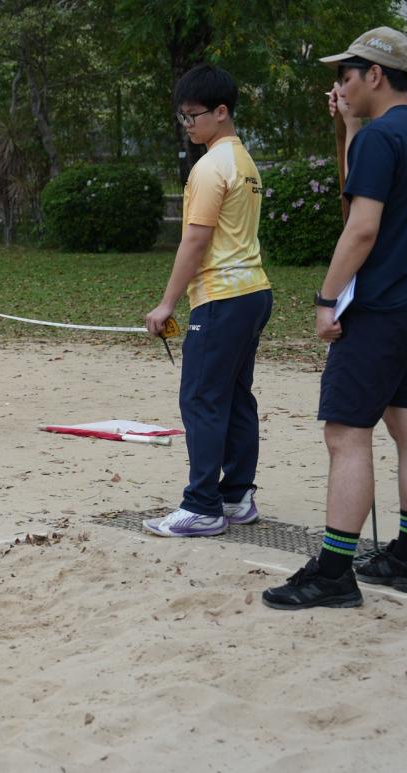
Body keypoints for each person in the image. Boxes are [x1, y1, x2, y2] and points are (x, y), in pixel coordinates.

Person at [264, 27, 407, 609]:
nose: (340, 87)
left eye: (346, 76)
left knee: (346, 435)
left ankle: (333, 573)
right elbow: (363, 197)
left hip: (380, 306)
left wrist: (327, 298)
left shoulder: (382, 137)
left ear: (375, 74)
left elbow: (360, 227)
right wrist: (349, 127)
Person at [143, 65, 273, 537]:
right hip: (252, 293)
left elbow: (195, 240)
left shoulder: (211, 166)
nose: (188, 125)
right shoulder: (244, 161)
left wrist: (166, 304)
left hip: (222, 297)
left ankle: (202, 506)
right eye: (182, 116)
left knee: (201, 397)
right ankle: (236, 496)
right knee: (234, 397)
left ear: (221, 112)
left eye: (193, 115)